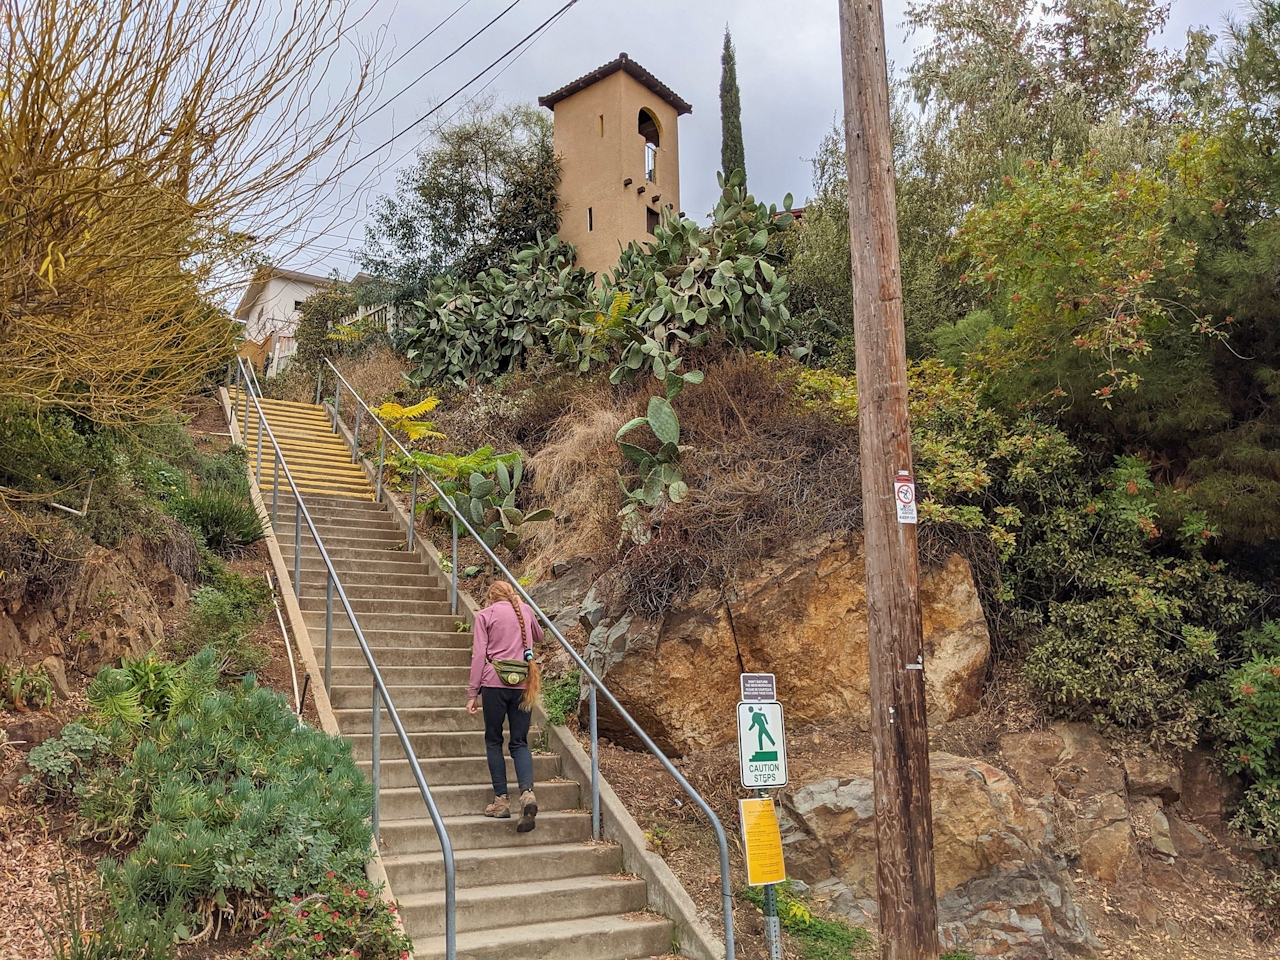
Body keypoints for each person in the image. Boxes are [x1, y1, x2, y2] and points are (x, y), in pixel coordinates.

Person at [466, 581, 544, 832]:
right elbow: (540, 636)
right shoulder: (525, 611)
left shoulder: (485, 615)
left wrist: (472, 693)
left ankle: (501, 801)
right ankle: (527, 794)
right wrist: (524, 611)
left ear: (491, 597)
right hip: (523, 683)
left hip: (493, 683)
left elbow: (479, 655)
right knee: (519, 742)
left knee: (493, 740)